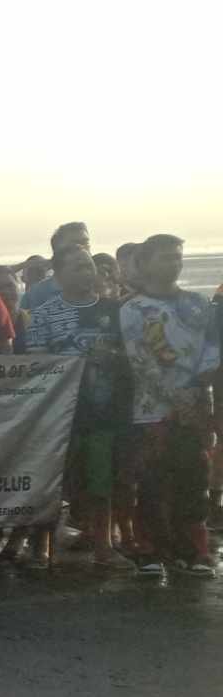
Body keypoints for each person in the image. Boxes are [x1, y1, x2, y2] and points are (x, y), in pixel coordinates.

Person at [121, 234, 219, 577]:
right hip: (151, 409)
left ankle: (194, 552)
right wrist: (174, 397)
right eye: (165, 257)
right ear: (145, 263)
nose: (174, 263)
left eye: (178, 257)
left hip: (195, 405)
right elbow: (140, 361)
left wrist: (196, 387)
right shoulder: (132, 309)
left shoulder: (197, 303)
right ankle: (150, 552)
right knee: (151, 481)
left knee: (194, 480)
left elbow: (212, 347)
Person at [26, 246, 128, 570]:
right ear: (58, 275)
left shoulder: (117, 311)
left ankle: (104, 545)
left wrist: (110, 358)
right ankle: (40, 547)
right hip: (59, 415)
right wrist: (80, 360)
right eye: (77, 268)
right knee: (50, 482)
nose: (86, 272)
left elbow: (132, 358)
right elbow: (37, 364)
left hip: (103, 412)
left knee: (102, 481)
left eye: (89, 266)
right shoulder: (42, 314)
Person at [22, 222, 90, 314]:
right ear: (58, 250)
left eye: (86, 242)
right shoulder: (36, 295)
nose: (83, 248)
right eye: (76, 244)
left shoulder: (101, 286)